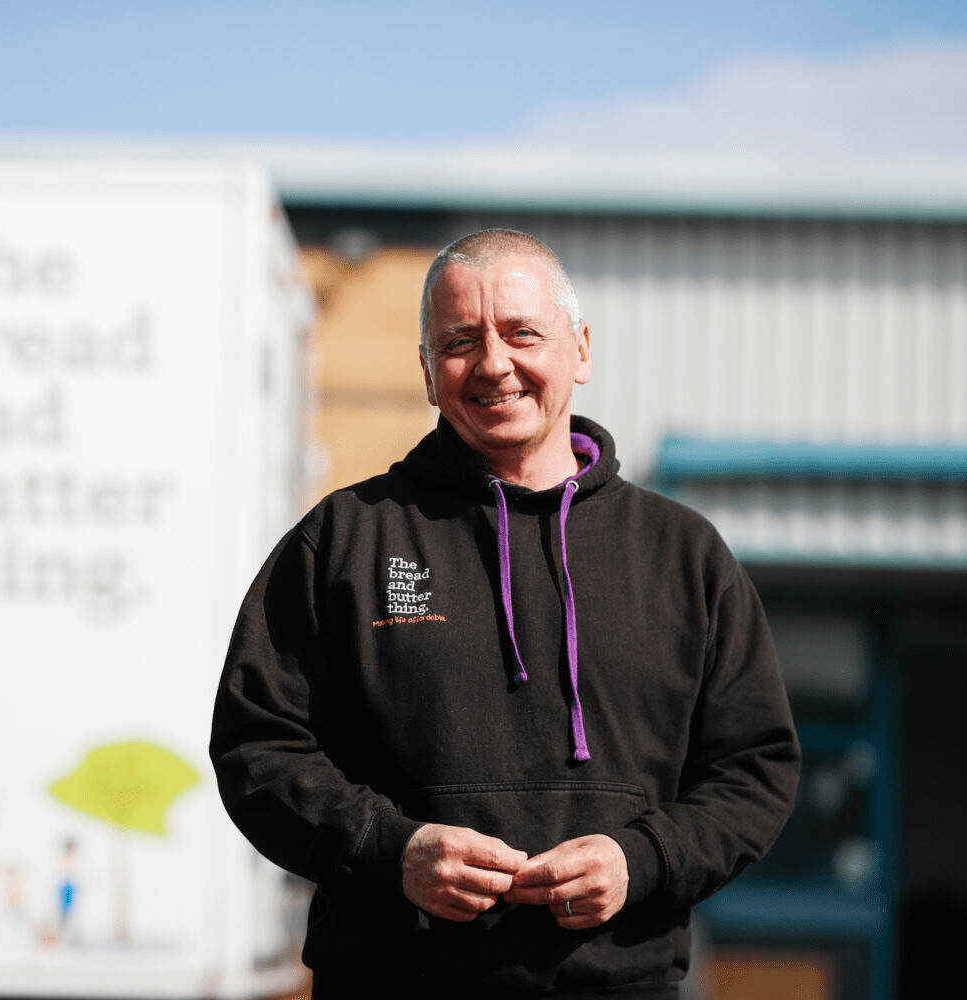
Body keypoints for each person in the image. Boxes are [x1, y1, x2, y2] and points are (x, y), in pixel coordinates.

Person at [210, 229, 800, 998]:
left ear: (580, 351)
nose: (494, 364)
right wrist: (393, 850)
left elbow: (754, 770)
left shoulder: (682, 555)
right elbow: (258, 746)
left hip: (618, 984)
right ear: (427, 372)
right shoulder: (346, 539)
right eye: (460, 341)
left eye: (523, 333)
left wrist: (641, 860)